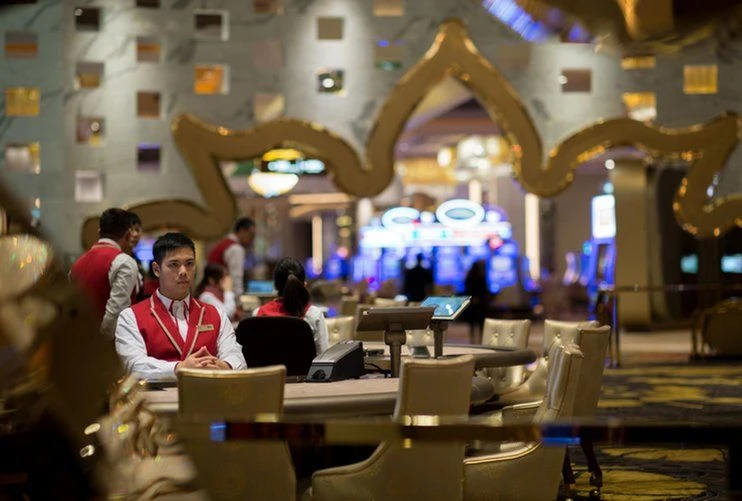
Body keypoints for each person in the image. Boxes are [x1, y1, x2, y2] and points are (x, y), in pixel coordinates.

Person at [115, 232, 246, 379]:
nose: (183, 271)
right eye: (174, 265)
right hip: (156, 394)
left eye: (189, 264)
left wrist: (225, 366)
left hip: (209, 391)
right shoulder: (130, 317)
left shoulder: (216, 314)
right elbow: (134, 365)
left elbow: (237, 357)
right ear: (157, 269)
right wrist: (179, 368)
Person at [70, 208, 141, 339]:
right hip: (109, 343)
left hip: (78, 337)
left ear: (99, 232)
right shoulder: (124, 262)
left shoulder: (76, 264)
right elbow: (116, 313)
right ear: (127, 234)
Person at [255, 257, 329, 355]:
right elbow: (323, 357)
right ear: (304, 285)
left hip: (267, 366)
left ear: (275, 286)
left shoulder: (258, 314)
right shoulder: (314, 315)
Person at [207, 217, 256, 296]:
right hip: (220, 294)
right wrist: (238, 299)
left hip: (211, 291)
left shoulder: (224, 243)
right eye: (251, 235)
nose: (252, 239)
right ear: (242, 231)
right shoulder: (236, 249)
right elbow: (236, 278)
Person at [463, 259, 491, 345]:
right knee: (480, 324)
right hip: (480, 305)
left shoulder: (469, 278)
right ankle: (481, 340)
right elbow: (485, 291)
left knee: (472, 324)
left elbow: (466, 291)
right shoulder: (481, 278)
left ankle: (472, 339)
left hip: (472, 305)